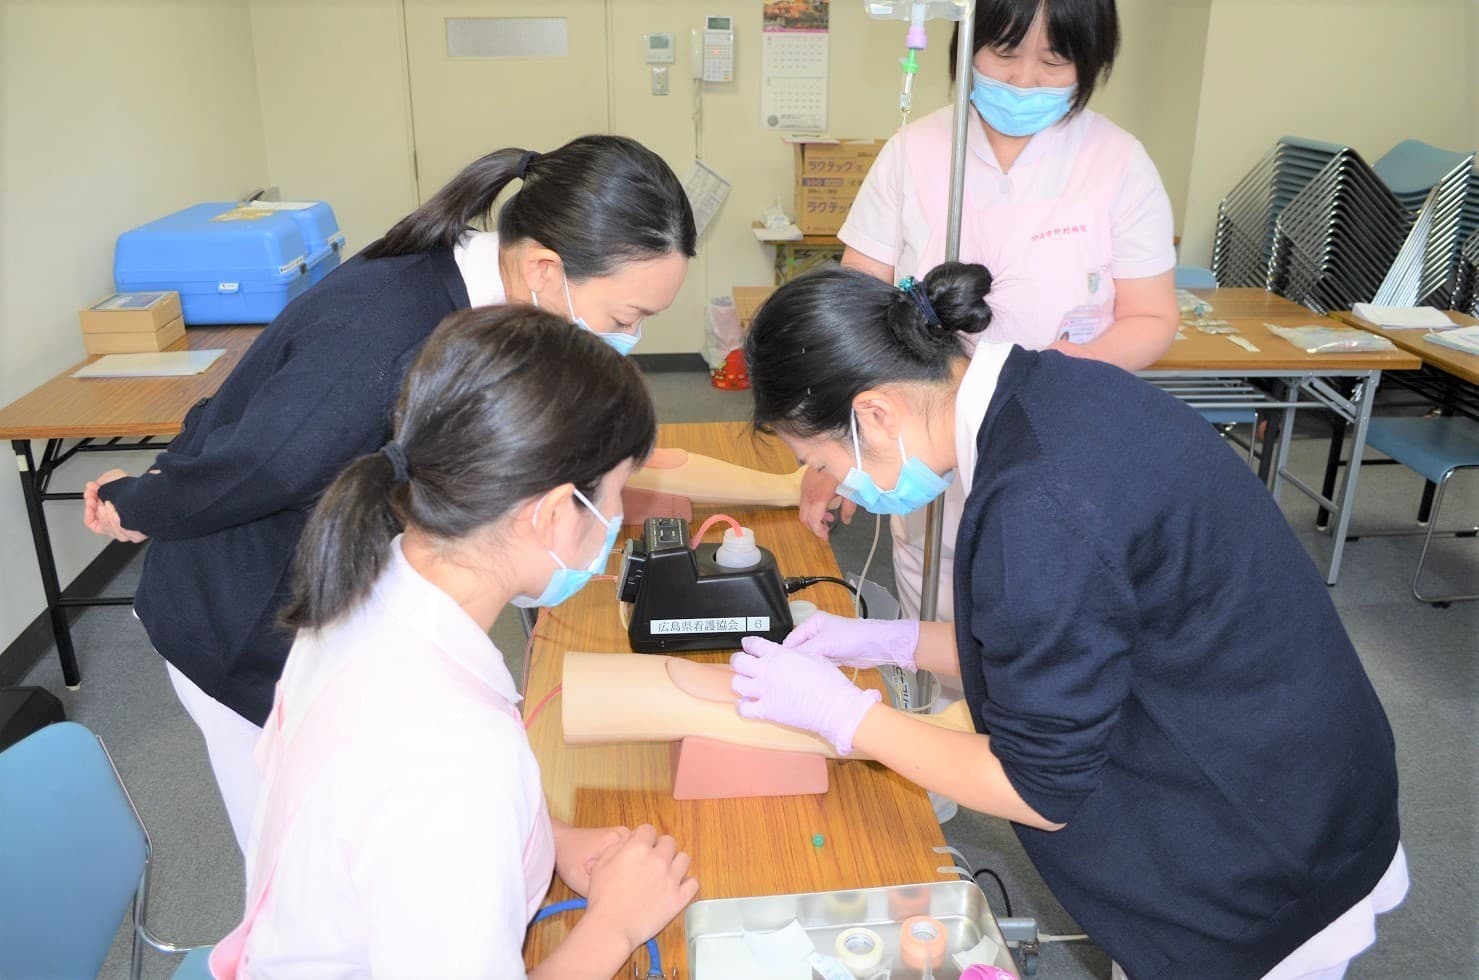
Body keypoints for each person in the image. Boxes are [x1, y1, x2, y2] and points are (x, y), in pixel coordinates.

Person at [81, 134, 791, 852]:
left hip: (348, 604)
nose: (632, 337)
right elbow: (260, 463)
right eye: (624, 318)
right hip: (246, 622)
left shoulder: (501, 309)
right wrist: (140, 504)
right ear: (546, 268)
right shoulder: (387, 336)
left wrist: (784, 483)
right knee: (323, 861)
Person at [732, 264, 1406, 980]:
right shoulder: (1050, 391)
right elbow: (1080, 641)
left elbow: (1037, 789)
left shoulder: (1037, 503)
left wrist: (845, 716)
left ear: (874, 414)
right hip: (1293, 767)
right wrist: (894, 640)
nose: (838, 485)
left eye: (821, 460)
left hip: (1254, 848)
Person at [208, 305, 697, 978]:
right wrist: (613, 926)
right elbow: (435, 792)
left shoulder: (365, 582)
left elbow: (391, 824)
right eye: (614, 495)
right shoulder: (454, 754)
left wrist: (540, 840)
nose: (616, 518)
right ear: (555, 514)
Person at [803, 0, 1179, 625]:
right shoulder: (914, 151)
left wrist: (1049, 371)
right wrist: (835, 454)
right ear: (967, 45)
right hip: (924, 446)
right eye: (1004, 54)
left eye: (1054, 61)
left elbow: (1152, 318)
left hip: (1060, 439)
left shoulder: (1118, 163)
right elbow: (853, 315)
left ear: (1090, 63)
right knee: (934, 616)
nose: (1024, 80)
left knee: (1046, 623)